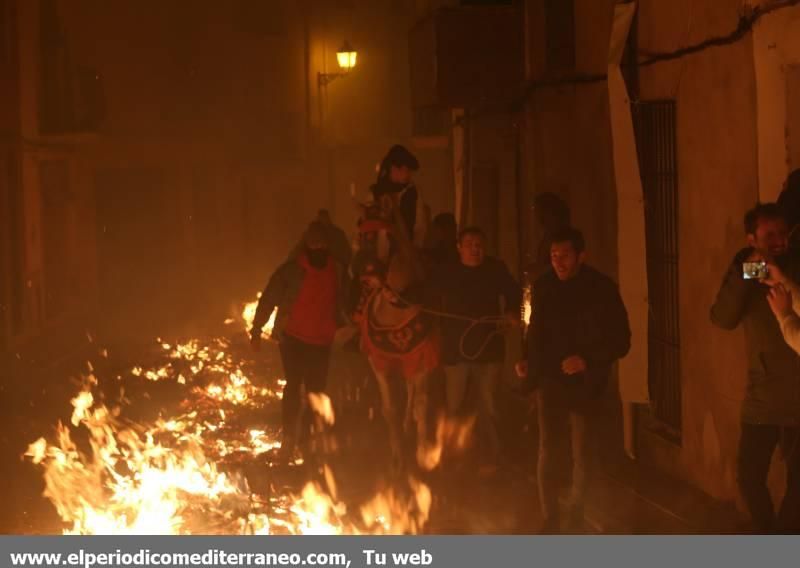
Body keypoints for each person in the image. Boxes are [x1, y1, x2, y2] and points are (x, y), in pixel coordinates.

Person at [518, 227, 630, 533]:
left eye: (565, 255)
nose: (559, 262)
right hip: (550, 382)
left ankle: (577, 512)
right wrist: (527, 361)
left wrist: (587, 360)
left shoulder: (602, 289)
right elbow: (535, 329)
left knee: (582, 450)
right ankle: (550, 516)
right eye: (554, 256)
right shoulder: (543, 287)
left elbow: (621, 340)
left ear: (582, 255)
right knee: (548, 449)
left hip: (585, 383)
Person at [710, 202, 800, 533]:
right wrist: (745, 272)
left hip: (798, 399)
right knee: (748, 477)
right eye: (769, 235)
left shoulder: (795, 265)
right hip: (762, 397)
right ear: (752, 239)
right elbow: (722, 317)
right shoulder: (750, 271)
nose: (778, 240)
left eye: (782, 232)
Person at [249, 221, 350, 461]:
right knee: (293, 385)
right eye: (314, 244)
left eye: (322, 244)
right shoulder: (291, 270)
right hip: (292, 338)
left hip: (321, 341)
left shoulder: (337, 270)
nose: (318, 248)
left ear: (328, 246)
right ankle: (289, 438)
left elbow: (347, 298)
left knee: (315, 391)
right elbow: (269, 297)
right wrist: (256, 329)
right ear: (306, 246)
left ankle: (306, 438)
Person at [428, 226, 522, 474]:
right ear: (459, 247)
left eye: (479, 244)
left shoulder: (495, 268)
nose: (474, 249)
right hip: (455, 350)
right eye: (469, 244)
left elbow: (513, 291)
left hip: (488, 347)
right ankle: (450, 456)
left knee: (490, 403)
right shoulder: (446, 271)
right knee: (455, 404)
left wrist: (512, 311)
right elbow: (426, 293)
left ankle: (497, 455)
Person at [371, 144, 428, 246]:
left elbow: (420, 226)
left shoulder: (413, 192)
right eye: (406, 170)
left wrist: (414, 249)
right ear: (394, 168)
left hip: (405, 253)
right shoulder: (376, 192)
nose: (409, 175)